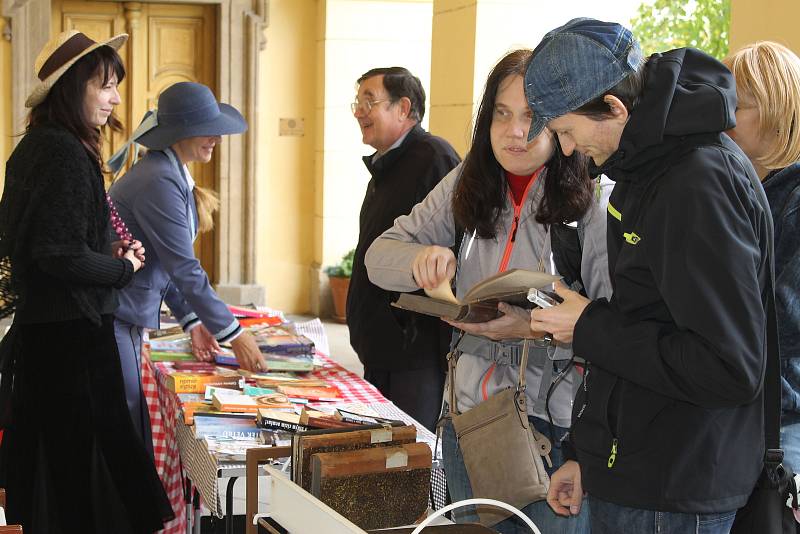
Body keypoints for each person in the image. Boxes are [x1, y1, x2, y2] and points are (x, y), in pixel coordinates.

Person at [525, 18, 771, 533]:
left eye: (567, 131)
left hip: (675, 488)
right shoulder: (643, 168)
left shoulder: (696, 183)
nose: (567, 150)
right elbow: (643, 316)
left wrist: (588, 325)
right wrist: (587, 456)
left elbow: (729, 366)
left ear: (614, 108)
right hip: (639, 471)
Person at [365, 49, 611, 534]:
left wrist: (532, 328)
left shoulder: (594, 202)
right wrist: (419, 260)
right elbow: (378, 257)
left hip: (551, 432)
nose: (514, 132)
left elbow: (611, 330)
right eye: (501, 114)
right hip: (468, 424)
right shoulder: (465, 184)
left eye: (531, 117)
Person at [0, 30, 172, 533]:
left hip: (54, 336)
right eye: (104, 86)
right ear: (72, 88)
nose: (116, 98)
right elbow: (56, 255)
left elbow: (54, 241)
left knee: (66, 474)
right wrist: (125, 268)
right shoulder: (61, 152)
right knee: (80, 482)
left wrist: (106, 249)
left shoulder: (43, 146)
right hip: (68, 343)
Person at [107, 81, 264, 447]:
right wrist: (234, 334)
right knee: (127, 418)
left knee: (131, 414)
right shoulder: (159, 179)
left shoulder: (165, 170)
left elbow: (167, 263)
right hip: (116, 315)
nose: (216, 138)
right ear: (180, 132)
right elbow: (184, 268)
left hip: (126, 314)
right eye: (207, 130)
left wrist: (193, 321)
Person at [347, 66, 461, 431]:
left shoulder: (433, 157)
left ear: (403, 108)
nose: (359, 111)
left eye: (370, 100)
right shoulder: (386, 166)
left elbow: (454, 242)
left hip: (415, 350)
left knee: (413, 452)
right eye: (357, 101)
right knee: (382, 452)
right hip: (382, 344)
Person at [724, 41, 800, 475]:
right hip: (744, 415)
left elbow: (785, 322)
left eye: (740, 104)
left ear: (779, 113)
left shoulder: (791, 199)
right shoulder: (744, 192)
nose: (725, 116)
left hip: (781, 424)